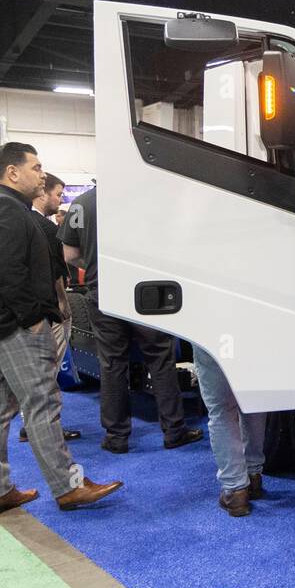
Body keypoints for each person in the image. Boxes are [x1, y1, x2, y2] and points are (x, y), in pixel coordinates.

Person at [0, 142, 122, 517]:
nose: (41, 173)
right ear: (12, 172)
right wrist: (33, 318)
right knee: (42, 405)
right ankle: (68, 486)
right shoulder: (5, 208)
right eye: (35, 167)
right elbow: (10, 271)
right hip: (13, 327)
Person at [58, 187, 201, 455]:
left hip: (102, 291)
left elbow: (69, 254)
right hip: (146, 293)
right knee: (160, 360)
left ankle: (116, 437)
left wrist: (96, 266)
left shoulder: (82, 203)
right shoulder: (149, 194)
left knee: (112, 365)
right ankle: (174, 431)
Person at [19, 172, 79, 443]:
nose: (60, 200)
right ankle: (44, 427)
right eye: (57, 194)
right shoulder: (46, 228)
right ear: (43, 194)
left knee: (35, 370)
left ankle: (31, 424)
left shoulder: (22, 221)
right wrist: (62, 301)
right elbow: (55, 269)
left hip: (29, 307)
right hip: (49, 309)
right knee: (48, 369)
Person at [191, 347, 267, 517]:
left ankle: (235, 490)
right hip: (253, 332)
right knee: (254, 402)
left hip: (212, 333)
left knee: (222, 410)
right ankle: (253, 476)